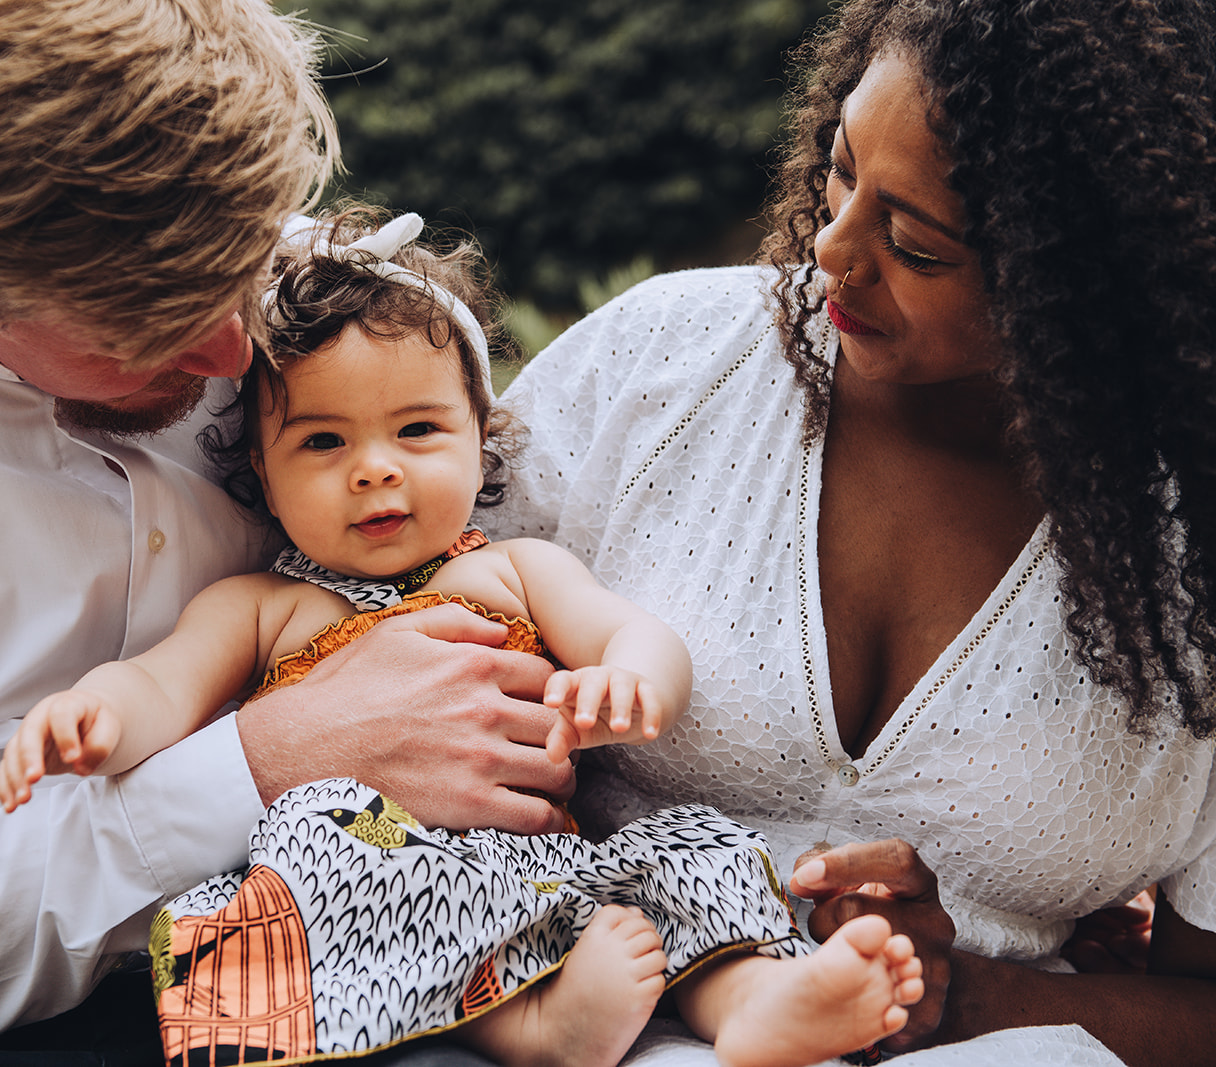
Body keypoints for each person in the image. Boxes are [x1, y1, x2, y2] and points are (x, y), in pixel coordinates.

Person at [0, 1, 578, 1061]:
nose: (232, 356)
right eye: (153, 329)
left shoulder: (310, 290)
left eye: (245, 270)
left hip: (353, 939)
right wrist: (265, 761)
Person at [0, 208, 925, 1067]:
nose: (375, 469)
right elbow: (161, 687)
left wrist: (632, 682)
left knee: (686, 848)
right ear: (261, 470)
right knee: (313, 852)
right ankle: (528, 1029)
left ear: (483, 436)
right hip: (376, 877)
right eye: (322, 442)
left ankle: (758, 996)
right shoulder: (260, 605)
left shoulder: (513, 569)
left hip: (548, 865)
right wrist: (91, 716)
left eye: (417, 429)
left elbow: (632, 633)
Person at [492, 0, 1216, 1065]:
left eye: (914, 245)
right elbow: (391, 614)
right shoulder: (658, 366)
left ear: (1083, 284)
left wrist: (965, 992)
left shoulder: (1185, 552)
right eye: (839, 171)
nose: (831, 248)